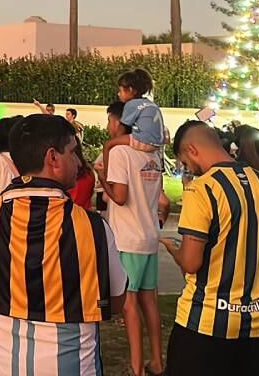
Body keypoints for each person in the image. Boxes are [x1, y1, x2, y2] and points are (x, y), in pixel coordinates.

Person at [0, 114, 126, 376]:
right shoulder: (92, 227)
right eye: (73, 152)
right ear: (53, 158)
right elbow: (115, 302)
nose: (78, 161)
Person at [164, 121, 259, 374]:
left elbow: (192, 262)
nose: (188, 168)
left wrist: (175, 250)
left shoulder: (201, 189)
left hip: (204, 321)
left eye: (184, 162)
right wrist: (245, 249)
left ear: (192, 150)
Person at [98, 101, 165, 376]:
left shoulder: (122, 154)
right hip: (149, 235)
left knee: (129, 304)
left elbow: (121, 197)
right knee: (149, 301)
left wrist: (102, 179)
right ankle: (157, 361)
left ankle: (137, 366)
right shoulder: (155, 157)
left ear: (121, 123)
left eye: (111, 121)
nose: (109, 127)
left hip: (127, 238)